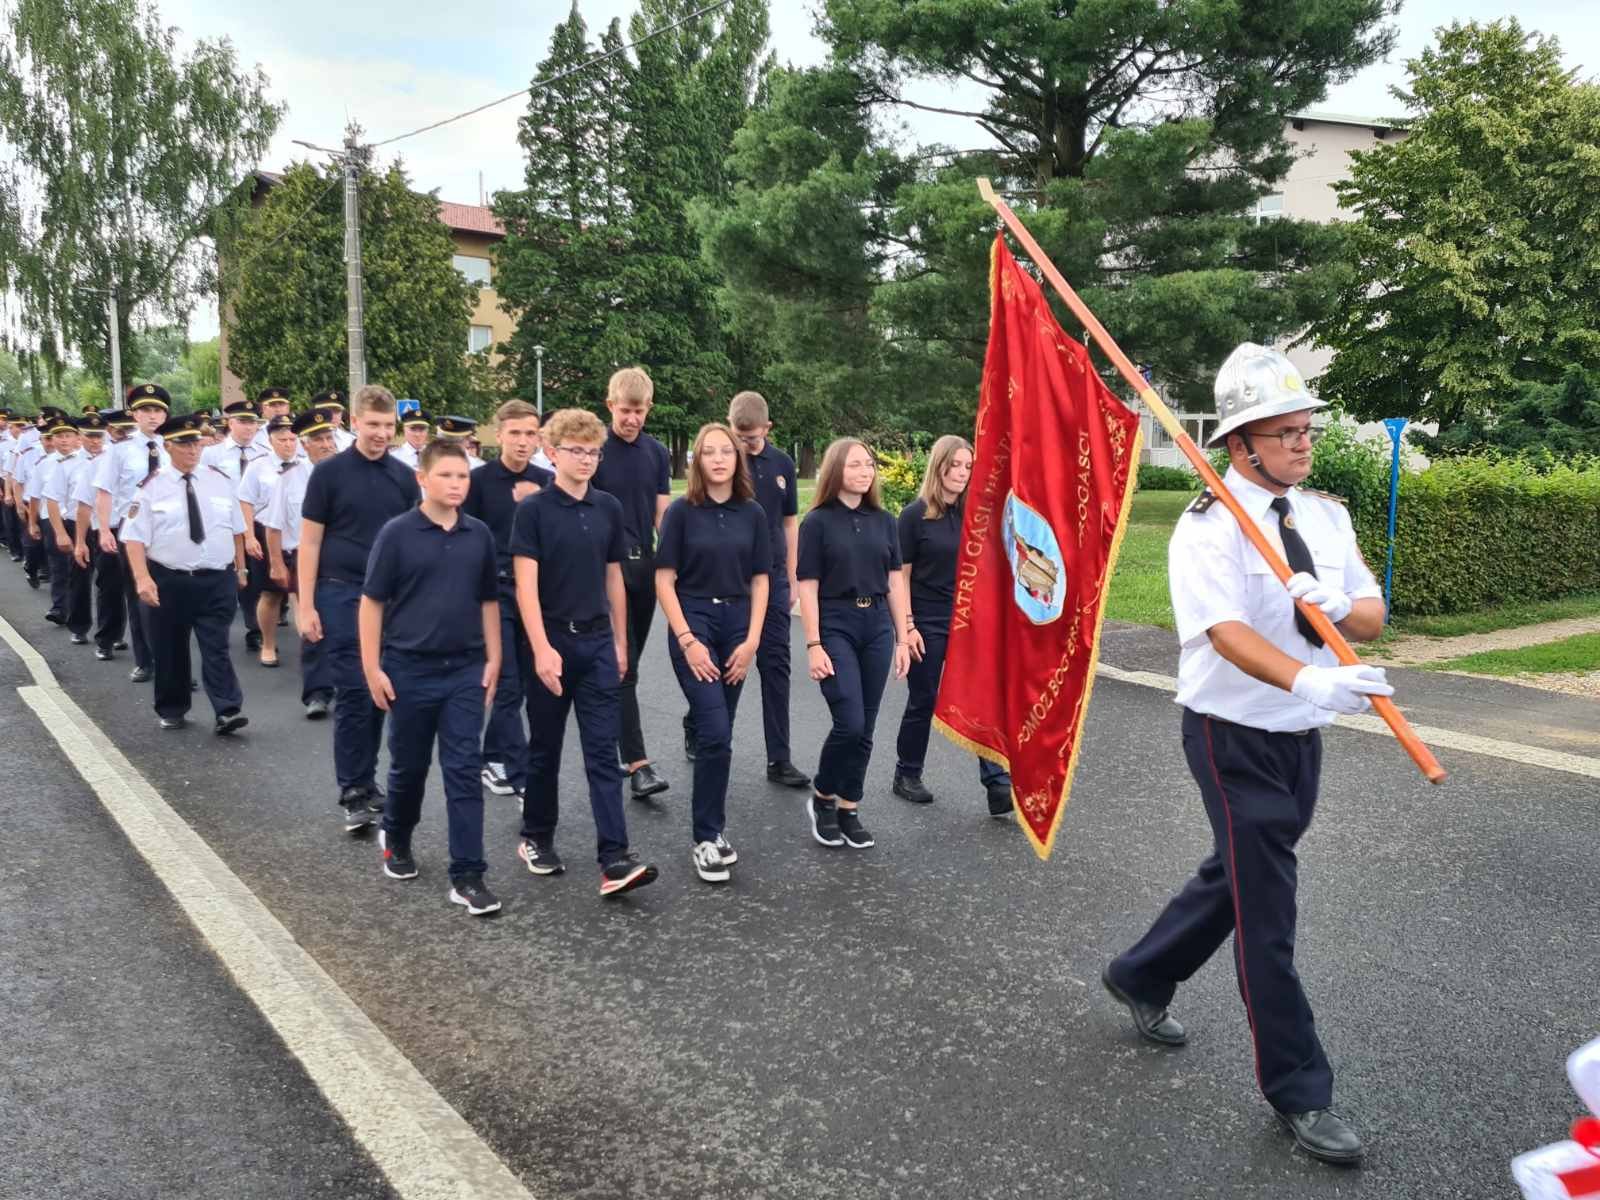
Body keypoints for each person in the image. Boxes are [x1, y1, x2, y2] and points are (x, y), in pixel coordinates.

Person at [1102, 343, 1391, 1167]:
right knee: (1268, 908)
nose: (1303, 444)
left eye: (1306, 430)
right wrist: (1306, 678)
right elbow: (1224, 636)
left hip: (1302, 736)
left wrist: (1341, 607)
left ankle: (1141, 972)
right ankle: (1300, 1090)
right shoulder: (1209, 525)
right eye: (1285, 433)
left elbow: (1370, 611)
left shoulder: (1326, 517)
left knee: (1241, 870)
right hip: (1232, 735)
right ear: (1240, 445)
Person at [510, 406, 658, 897]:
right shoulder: (533, 511)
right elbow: (525, 588)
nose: (587, 460)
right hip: (553, 640)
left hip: (597, 642)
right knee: (545, 749)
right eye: (577, 451)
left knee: (601, 752)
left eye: (594, 452)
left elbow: (615, 578)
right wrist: (541, 649)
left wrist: (619, 641)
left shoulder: (607, 508)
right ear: (552, 453)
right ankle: (536, 836)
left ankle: (614, 858)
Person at [361, 439, 503, 916]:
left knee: (464, 770)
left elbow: (488, 601)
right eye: (446, 475)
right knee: (410, 767)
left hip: (464, 669)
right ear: (422, 479)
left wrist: (494, 660)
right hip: (409, 670)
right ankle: (396, 835)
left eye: (462, 476)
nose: (456, 484)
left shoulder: (478, 534)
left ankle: (468, 875)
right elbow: (372, 603)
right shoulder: (397, 534)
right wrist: (372, 668)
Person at [298, 385, 420, 832]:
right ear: (353, 422)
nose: (381, 434)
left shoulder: (405, 478)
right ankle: (353, 788)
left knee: (384, 692)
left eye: (389, 426)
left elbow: (414, 540)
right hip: (340, 592)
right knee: (354, 688)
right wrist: (306, 604)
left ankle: (369, 783)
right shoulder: (328, 474)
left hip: (392, 599)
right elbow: (310, 542)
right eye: (372, 425)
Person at [655, 423, 770, 883]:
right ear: (697, 462)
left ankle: (713, 831)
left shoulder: (753, 513)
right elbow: (664, 580)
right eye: (709, 452)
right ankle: (706, 837)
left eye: (727, 451)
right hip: (694, 620)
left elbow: (762, 579)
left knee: (720, 732)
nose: (719, 459)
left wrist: (752, 642)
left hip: (739, 625)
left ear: (737, 460)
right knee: (715, 731)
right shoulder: (682, 512)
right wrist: (687, 640)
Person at [796, 438, 913, 850]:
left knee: (867, 725)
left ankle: (850, 806)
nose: (864, 472)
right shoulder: (817, 523)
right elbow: (807, 587)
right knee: (850, 722)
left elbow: (895, 581)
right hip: (836, 623)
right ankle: (823, 796)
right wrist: (813, 643)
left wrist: (903, 635)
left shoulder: (885, 520)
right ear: (835, 471)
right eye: (854, 465)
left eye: (869, 465)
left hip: (878, 623)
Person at [892, 435, 1015, 817]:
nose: (961, 473)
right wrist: (906, 627)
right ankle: (906, 773)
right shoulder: (914, 516)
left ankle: (996, 783)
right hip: (926, 620)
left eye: (967, 465)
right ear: (939, 466)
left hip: (968, 620)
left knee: (980, 698)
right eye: (954, 465)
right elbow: (900, 577)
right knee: (924, 698)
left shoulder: (975, 514)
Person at [705, 390, 811, 789]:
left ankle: (779, 758)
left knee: (776, 665)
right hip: (731, 578)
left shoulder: (782, 464)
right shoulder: (723, 462)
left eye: (751, 437)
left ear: (767, 428)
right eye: (738, 435)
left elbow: (789, 523)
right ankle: (709, 735)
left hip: (774, 575)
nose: (744, 444)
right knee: (724, 665)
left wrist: (793, 575)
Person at [121, 411, 249, 735]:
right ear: (168, 445)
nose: (192, 450)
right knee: (170, 648)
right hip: (169, 579)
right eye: (184, 444)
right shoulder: (151, 487)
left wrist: (241, 566)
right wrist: (142, 578)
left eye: (196, 443)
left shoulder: (219, 481)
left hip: (216, 579)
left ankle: (227, 710)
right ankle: (173, 707)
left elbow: (236, 528)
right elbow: (134, 537)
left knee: (216, 646)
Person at [459, 399, 551, 800]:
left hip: (536, 593)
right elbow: (465, 539)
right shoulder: (478, 483)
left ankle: (491, 755)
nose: (523, 441)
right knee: (508, 682)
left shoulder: (546, 481)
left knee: (530, 684)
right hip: (494, 592)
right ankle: (521, 773)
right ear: (498, 436)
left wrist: (537, 502)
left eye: (530, 433)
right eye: (515, 433)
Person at [589, 366, 672, 799]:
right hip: (606, 570)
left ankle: (615, 745)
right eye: (625, 410)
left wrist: (674, 563)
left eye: (639, 411)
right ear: (610, 406)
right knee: (620, 662)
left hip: (645, 568)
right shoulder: (595, 449)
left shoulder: (657, 454)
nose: (632, 419)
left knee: (629, 665)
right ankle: (638, 763)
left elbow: (662, 515)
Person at [263, 408, 339, 718]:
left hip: (347, 557)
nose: (326, 444)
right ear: (303, 444)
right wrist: (277, 563)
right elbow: (273, 524)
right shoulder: (290, 478)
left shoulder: (349, 473)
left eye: (329, 437)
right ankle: (317, 692)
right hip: (307, 558)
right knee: (313, 622)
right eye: (318, 439)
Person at [94, 383, 172, 682]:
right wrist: (104, 530)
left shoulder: (174, 446)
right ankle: (145, 660)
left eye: (157, 410)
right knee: (139, 594)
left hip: (168, 529)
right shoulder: (120, 451)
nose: (152, 416)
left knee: (173, 598)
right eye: (145, 410)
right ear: (134, 414)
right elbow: (104, 492)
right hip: (131, 530)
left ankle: (174, 663)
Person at [200, 397, 269, 650]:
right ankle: (214, 626)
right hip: (221, 523)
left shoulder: (265, 453)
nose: (249, 428)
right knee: (222, 576)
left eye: (253, 423)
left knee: (254, 578)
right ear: (230, 423)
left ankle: (255, 628)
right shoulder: (211, 454)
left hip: (255, 521)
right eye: (243, 422)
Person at [239, 413, 304, 667]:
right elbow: (244, 500)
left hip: (299, 537)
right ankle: (267, 644)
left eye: (292, 439)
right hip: (266, 534)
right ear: (270, 440)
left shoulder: (305, 465)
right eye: (282, 439)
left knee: (302, 595)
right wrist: (248, 536)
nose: (288, 444)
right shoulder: (258, 466)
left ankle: (309, 649)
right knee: (271, 594)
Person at [80, 409, 136, 660]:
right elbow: (84, 503)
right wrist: (82, 539)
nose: (124, 434)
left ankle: (148, 648)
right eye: (119, 430)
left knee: (141, 589)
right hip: (111, 528)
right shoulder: (97, 462)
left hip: (143, 528)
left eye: (129, 429)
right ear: (109, 431)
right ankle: (107, 638)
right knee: (111, 586)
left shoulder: (146, 454)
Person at [52, 414, 106, 645]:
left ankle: (109, 632)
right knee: (80, 579)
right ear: (79, 438)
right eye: (89, 436)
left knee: (109, 582)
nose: (94, 441)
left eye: (98, 436)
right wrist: (61, 533)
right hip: (77, 526)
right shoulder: (67, 464)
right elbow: (53, 499)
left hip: (107, 526)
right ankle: (80, 625)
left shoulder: (112, 460)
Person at [36, 415, 81, 625]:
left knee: (79, 568)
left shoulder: (87, 462)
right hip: (51, 519)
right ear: (51, 440)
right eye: (58, 437)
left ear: (76, 438)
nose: (63, 440)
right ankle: (59, 608)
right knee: (58, 565)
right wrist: (32, 522)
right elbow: (35, 494)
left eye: (67, 436)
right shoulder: (44, 464)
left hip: (78, 519)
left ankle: (78, 609)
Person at [250, 387, 292, 454]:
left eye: (281, 404)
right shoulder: (253, 434)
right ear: (263, 409)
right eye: (272, 405)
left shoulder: (298, 432)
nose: (278, 409)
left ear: (288, 407)